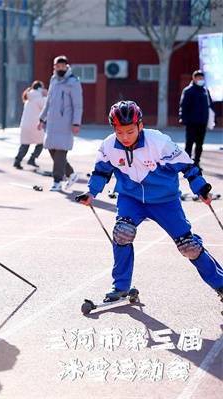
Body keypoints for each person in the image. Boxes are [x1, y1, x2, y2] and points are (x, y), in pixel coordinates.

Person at [77, 100, 223, 304]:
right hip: (131, 198)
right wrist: (91, 193)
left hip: (165, 201)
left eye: (130, 131)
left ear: (140, 126)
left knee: (189, 246)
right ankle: (120, 287)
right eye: (119, 132)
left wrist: (200, 188)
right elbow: (101, 172)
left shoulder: (159, 142)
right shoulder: (109, 146)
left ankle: (221, 285)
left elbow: (187, 166)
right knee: (122, 233)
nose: (125, 137)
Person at [38, 55, 83, 191]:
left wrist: (76, 123)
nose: (60, 68)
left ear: (67, 66)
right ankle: (71, 174)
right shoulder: (54, 80)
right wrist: (42, 118)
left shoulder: (73, 82)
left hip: (65, 124)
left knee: (60, 153)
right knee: (52, 149)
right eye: (58, 66)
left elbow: (78, 104)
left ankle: (57, 181)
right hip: (51, 123)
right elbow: (48, 101)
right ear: (54, 67)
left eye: (62, 66)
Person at [179, 70, 216, 168]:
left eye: (202, 78)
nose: (201, 80)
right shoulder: (188, 90)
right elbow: (183, 106)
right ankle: (187, 162)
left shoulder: (205, 91)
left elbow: (210, 105)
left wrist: (213, 118)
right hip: (191, 122)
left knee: (200, 144)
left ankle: (196, 162)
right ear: (194, 79)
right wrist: (182, 118)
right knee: (189, 143)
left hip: (202, 122)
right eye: (198, 78)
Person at [14, 80, 47, 169]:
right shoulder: (40, 98)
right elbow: (46, 107)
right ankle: (32, 158)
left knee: (25, 144)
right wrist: (46, 96)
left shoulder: (29, 98)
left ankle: (18, 160)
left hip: (25, 124)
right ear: (40, 88)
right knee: (41, 143)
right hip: (36, 125)